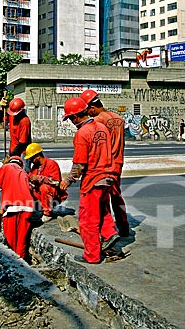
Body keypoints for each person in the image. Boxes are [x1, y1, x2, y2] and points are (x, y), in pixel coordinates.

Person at [60, 97, 119, 264]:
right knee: (104, 210)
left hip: (93, 181)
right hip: (108, 177)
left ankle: (92, 256)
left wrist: (68, 181)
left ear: (75, 117)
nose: (71, 122)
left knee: (88, 220)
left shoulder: (82, 134)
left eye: (70, 118)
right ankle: (109, 234)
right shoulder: (102, 128)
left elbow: (79, 164)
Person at [80, 89, 130, 237]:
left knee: (102, 199)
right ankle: (123, 226)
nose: (87, 114)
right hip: (118, 162)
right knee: (117, 196)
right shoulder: (118, 119)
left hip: (106, 165)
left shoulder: (97, 121)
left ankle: (107, 232)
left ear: (92, 108)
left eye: (87, 111)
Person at [0, 155, 34, 260]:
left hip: (11, 207)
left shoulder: (5, 167)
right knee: (22, 239)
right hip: (28, 207)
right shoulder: (23, 172)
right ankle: (22, 262)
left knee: (10, 238)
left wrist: (1, 209)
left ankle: (12, 262)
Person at [24, 142, 68, 223]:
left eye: (32, 158)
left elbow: (56, 182)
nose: (31, 161)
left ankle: (48, 213)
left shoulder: (52, 164)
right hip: (41, 194)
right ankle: (35, 209)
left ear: (38, 156)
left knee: (44, 187)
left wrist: (39, 178)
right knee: (27, 188)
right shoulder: (35, 167)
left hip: (54, 193)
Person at [2, 97, 32, 170]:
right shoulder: (12, 115)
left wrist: (10, 156)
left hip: (23, 152)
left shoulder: (25, 121)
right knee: (13, 172)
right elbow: (1, 119)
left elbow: (22, 143)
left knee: (23, 172)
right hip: (13, 149)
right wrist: (2, 108)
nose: (14, 115)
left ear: (21, 110)